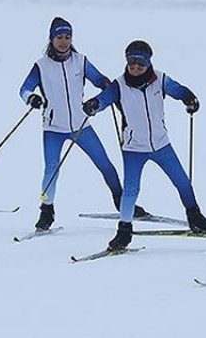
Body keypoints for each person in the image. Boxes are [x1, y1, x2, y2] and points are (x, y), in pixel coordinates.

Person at [83, 40, 206, 250]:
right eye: (132, 62)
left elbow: (179, 90)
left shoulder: (160, 79)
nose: (135, 67)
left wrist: (189, 98)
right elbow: (104, 99)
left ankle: (196, 217)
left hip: (161, 144)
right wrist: (94, 105)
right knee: (131, 190)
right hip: (134, 148)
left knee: (183, 182)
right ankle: (124, 231)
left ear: (149, 63)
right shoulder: (119, 85)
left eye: (140, 63)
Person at [18, 17, 147, 231]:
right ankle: (46, 212)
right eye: (59, 37)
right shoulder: (41, 66)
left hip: (81, 125)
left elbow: (99, 79)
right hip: (53, 128)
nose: (63, 41)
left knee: (104, 164)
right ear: (51, 38)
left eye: (67, 37)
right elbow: (24, 89)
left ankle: (120, 201)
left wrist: (107, 86)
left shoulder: (80, 61)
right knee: (51, 169)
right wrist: (32, 98)